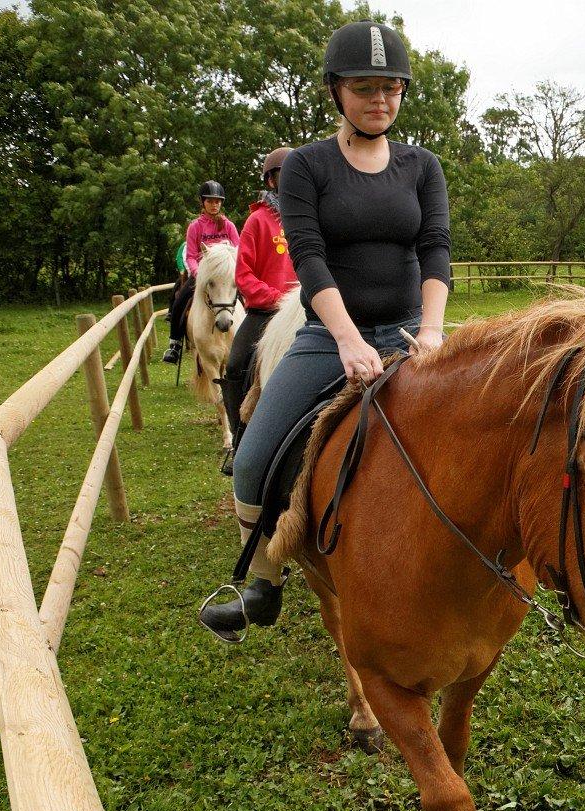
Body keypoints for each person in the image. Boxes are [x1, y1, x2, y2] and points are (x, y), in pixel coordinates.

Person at [198, 20, 451, 641]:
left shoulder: (423, 166)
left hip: (416, 330)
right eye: (365, 86)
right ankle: (262, 578)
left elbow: (436, 248)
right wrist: (345, 338)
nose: (380, 99)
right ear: (337, 91)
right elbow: (307, 256)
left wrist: (436, 331)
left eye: (392, 87)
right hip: (328, 336)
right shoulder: (308, 166)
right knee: (255, 456)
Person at [218, 147, 298, 475]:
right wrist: (277, 298)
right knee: (236, 366)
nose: (288, 182)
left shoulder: (311, 217)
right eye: (282, 176)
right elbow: (244, 276)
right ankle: (241, 440)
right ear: (270, 180)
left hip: (307, 312)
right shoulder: (257, 221)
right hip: (266, 313)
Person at [164, 182, 240, 363]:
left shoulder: (228, 226)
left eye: (218, 202)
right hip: (203, 275)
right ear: (203, 203)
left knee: (249, 298)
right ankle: (175, 344)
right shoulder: (195, 227)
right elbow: (190, 255)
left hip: (226, 275)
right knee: (180, 300)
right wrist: (199, 274)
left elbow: (238, 250)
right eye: (210, 201)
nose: (214, 205)